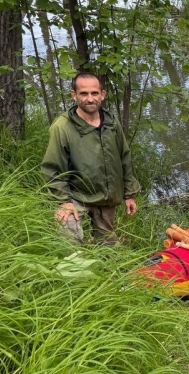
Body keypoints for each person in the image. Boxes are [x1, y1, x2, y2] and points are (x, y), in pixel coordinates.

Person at [41, 72, 140, 245]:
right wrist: (64, 202)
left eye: (94, 93)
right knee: (68, 226)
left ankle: (105, 267)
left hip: (106, 196)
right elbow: (52, 169)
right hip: (77, 196)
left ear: (102, 94)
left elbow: (124, 157)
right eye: (84, 93)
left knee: (108, 246)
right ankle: (75, 264)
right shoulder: (62, 127)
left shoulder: (111, 122)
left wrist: (129, 194)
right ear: (74, 95)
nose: (90, 99)